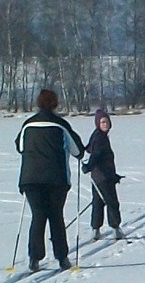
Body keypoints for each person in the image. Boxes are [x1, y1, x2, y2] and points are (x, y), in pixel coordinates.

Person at [15, 88, 86, 271]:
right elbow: (78, 150)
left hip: (31, 179)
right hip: (56, 179)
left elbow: (20, 147)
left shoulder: (28, 124)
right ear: (55, 104)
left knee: (38, 217)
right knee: (56, 217)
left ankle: (34, 258)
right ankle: (62, 257)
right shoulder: (60, 124)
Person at [83, 108, 125, 238]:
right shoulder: (100, 138)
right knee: (111, 202)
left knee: (98, 202)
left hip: (99, 176)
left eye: (106, 121)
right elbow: (96, 154)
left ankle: (95, 230)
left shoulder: (97, 136)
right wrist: (89, 166)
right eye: (102, 122)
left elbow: (90, 150)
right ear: (98, 124)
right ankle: (116, 229)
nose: (105, 124)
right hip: (103, 177)